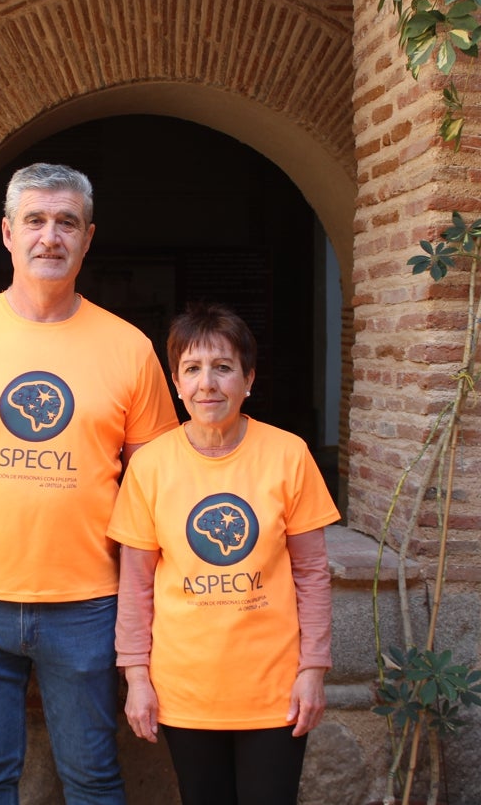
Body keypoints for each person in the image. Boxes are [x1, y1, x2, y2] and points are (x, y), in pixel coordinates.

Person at [0, 162, 178, 804]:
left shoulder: (129, 348)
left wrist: (148, 610)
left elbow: (159, 487)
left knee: (93, 777)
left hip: (89, 603)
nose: (49, 236)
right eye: (35, 220)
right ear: (7, 233)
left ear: (87, 237)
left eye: (66, 222)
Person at [110, 302, 338, 805]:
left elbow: (312, 574)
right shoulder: (150, 466)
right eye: (192, 369)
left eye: (223, 367)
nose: (207, 383)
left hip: (275, 690)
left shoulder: (288, 454)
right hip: (185, 690)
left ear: (248, 379)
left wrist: (313, 670)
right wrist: (136, 676)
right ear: (175, 383)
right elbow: (137, 582)